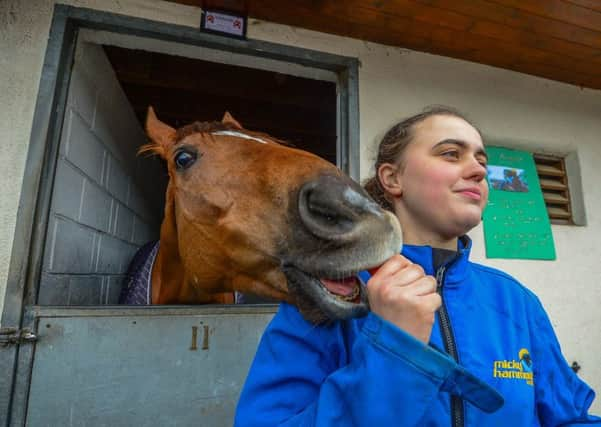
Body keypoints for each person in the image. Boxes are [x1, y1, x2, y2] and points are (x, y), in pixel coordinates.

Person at [234, 106, 600, 426]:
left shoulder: (516, 300)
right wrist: (395, 348)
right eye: (451, 154)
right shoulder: (331, 296)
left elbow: (568, 419)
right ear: (393, 179)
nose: (477, 171)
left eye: (481, 161)